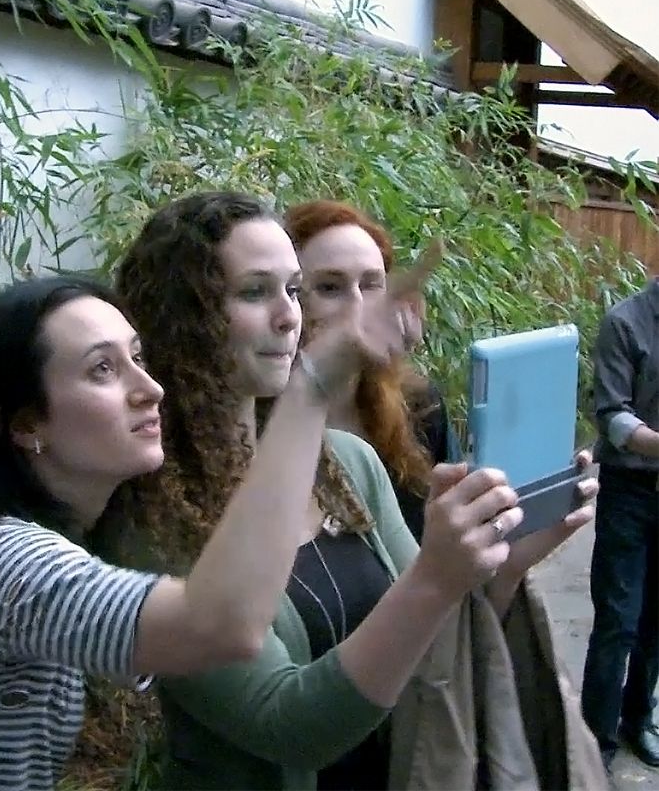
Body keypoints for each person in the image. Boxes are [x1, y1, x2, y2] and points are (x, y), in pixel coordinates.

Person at [0, 273, 420, 791]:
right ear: (24, 424)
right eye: (103, 370)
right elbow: (222, 627)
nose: (151, 389)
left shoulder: (12, 533)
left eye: (138, 357)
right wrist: (311, 387)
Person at [113, 191, 601, 790]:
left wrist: (501, 557)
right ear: (181, 317)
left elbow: (426, 644)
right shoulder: (154, 515)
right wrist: (433, 578)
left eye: (292, 289)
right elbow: (290, 726)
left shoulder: (346, 463)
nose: (288, 315)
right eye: (253, 292)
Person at [283, 199, 461, 542]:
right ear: (291, 300)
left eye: (371, 284)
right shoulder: (261, 428)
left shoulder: (421, 408)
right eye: (329, 287)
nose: (358, 306)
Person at [581, 274, 659, 771]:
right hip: (629, 493)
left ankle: (638, 721)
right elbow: (611, 415)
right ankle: (595, 739)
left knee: (656, 622)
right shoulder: (625, 323)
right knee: (618, 622)